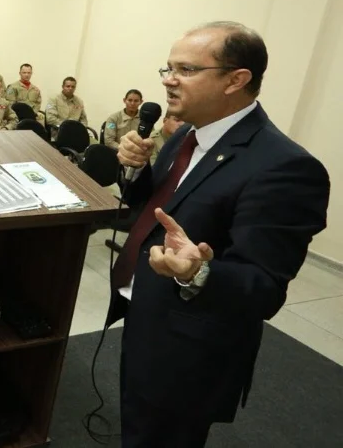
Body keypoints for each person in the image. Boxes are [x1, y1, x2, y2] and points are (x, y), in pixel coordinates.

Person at [111, 22, 329, 447]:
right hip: (147, 319)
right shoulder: (186, 136)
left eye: (186, 70)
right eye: (168, 67)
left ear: (236, 80)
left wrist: (198, 272)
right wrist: (134, 170)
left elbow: (264, 287)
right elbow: (156, 210)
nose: (167, 80)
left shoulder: (284, 167)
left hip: (188, 352)